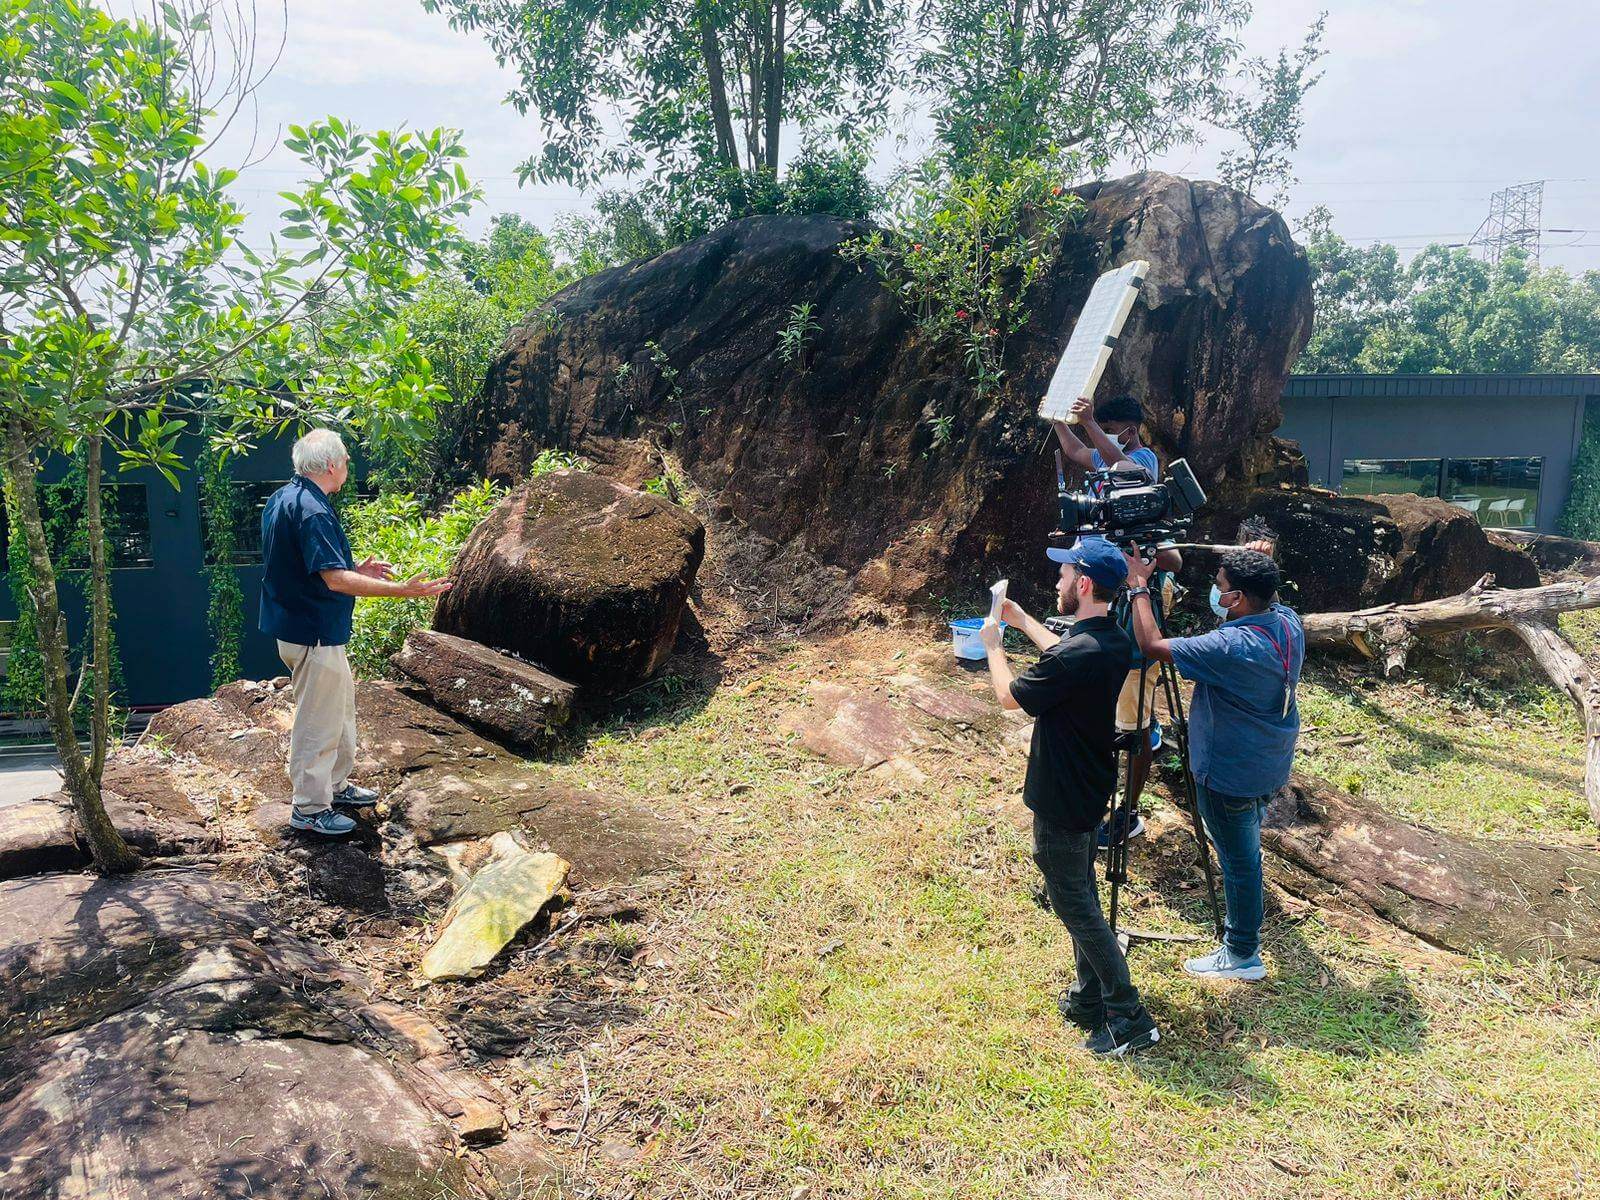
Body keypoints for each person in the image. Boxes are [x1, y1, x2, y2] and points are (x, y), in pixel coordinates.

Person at [980, 536, 1160, 1056]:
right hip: (1089, 784)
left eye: (1064, 576)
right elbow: (1065, 652)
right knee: (1080, 888)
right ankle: (1088, 997)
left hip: (1061, 795)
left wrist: (994, 644)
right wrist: (1020, 619)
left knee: (1074, 903)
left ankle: (1129, 1015)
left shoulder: (1077, 654)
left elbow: (1009, 698)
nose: (1057, 581)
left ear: (1082, 585)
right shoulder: (1112, 641)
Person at [1120, 546, 1304, 981]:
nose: (1213, 593)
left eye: (1219, 588)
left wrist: (1138, 587)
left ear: (1238, 598)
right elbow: (1271, 598)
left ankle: (1242, 952)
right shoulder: (1288, 624)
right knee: (1245, 846)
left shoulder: (1230, 645)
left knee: (1239, 860)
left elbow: (1149, 644)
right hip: (1268, 763)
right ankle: (1243, 938)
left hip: (1227, 773)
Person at [260, 429, 452, 837]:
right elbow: (333, 580)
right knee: (318, 723)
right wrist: (402, 590)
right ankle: (310, 808)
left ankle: (335, 786)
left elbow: (304, 567)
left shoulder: (285, 499)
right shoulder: (312, 508)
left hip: (303, 626)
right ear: (331, 465)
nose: (348, 465)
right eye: (346, 459)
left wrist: (356, 571)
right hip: (314, 633)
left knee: (339, 713)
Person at [1052, 392, 1180, 845]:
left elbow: (1126, 467)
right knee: (1116, 687)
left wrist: (1089, 425)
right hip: (1111, 583)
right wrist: (1056, 417)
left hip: (1137, 587)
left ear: (1128, 429)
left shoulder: (1140, 459)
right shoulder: (1106, 458)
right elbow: (1073, 451)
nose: (1102, 435)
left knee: (1133, 700)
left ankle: (1128, 811)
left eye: (1109, 428)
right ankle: (1141, 722)